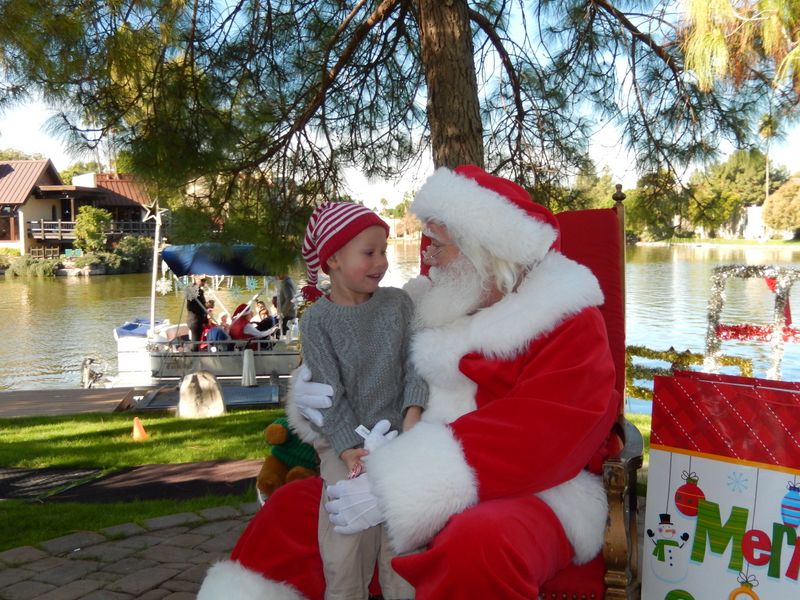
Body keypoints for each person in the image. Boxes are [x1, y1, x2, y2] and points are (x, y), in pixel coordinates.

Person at [198, 165, 619, 599]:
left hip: (534, 492)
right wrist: (311, 397)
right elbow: (363, 374)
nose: (427, 257)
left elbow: (545, 433)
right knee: (289, 512)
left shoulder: (566, 320)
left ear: (484, 250)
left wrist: (397, 487)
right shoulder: (420, 306)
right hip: (388, 459)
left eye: (438, 244)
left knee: (478, 543)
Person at [298, 201, 427, 600]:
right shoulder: (316, 321)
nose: (381, 262)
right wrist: (350, 450)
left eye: (384, 251)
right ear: (332, 259)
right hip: (344, 442)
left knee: (402, 542)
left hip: (401, 435)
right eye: (369, 253)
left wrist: (412, 419)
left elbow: (415, 364)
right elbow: (326, 392)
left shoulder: (398, 305)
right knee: (346, 537)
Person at [185, 274, 208, 350]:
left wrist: (206, 307)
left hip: (199, 320)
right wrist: (205, 307)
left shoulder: (200, 291)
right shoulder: (191, 289)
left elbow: (201, 305)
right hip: (194, 321)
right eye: (202, 280)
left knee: (198, 340)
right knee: (195, 342)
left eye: (205, 280)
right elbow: (191, 307)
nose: (204, 282)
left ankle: (196, 352)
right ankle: (194, 356)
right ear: (196, 279)